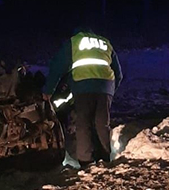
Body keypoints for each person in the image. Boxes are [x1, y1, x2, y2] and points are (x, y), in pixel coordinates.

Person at [43, 27, 123, 168]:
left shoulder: (74, 42)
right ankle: (105, 157)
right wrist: (110, 91)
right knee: (102, 123)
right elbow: (119, 74)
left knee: (83, 123)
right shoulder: (105, 42)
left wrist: (48, 90)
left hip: (83, 85)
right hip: (106, 86)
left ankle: (86, 161)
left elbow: (57, 67)